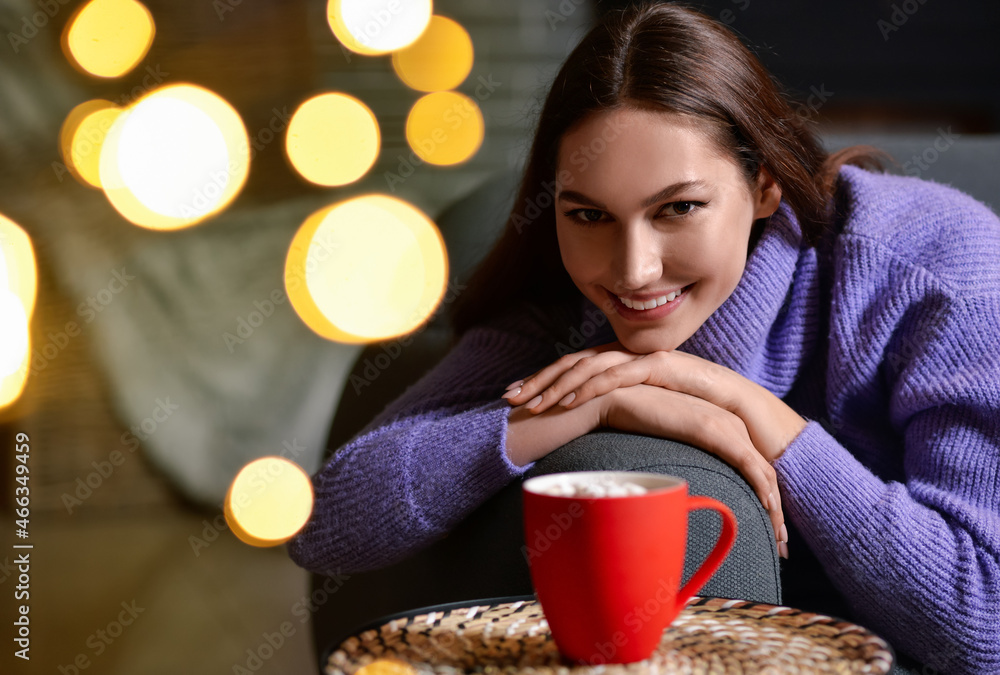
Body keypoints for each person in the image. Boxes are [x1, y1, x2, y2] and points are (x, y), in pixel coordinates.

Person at [288, 3, 1000, 672]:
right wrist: (581, 409)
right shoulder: (563, 300)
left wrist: (754, 411)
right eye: (590, 215)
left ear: (765, 184)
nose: (632, 270)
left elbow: (984, 622)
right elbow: (325, 524)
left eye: (679, 208)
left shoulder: (937, 269)